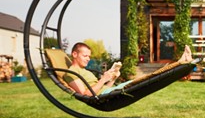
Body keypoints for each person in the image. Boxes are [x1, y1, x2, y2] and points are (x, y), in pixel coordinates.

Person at [64, 42, 193, 96]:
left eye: (89, 56)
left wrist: (112, 78)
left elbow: (104, 89)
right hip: (106, 96)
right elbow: (86, 94)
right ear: (74, 54)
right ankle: (181, 62)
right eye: (85, 56)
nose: (88, 59)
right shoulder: (71, 73)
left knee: (153, 78)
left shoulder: (85, 71)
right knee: (151, 77)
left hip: (110, 92)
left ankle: (181, 63)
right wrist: (103, 79)